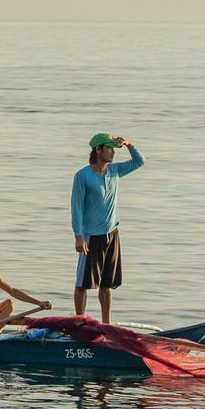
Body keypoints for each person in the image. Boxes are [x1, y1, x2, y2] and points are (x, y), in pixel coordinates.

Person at [71, 132, 143, 323]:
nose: (112, 152)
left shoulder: (115, 171)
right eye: (109, 148)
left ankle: (106, 323)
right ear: (98, 150)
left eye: (114, 148)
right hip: (90, 236)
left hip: (112, 233)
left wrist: (128, 144)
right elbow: (76, 207)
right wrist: (78, 236)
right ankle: (79, 322)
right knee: (82, 283)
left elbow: (139, 161)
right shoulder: (83, 176)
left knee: (107, 283)